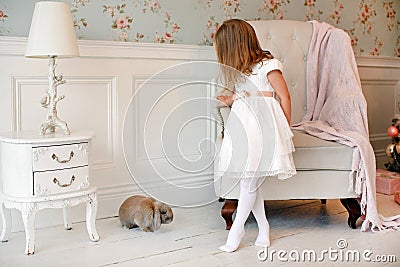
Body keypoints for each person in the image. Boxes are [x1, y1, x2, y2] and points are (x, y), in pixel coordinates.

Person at [214, 19, 296, 253]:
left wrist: (284, 131)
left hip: (263, 131)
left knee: (248, 182)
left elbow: (284, 97)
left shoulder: (268, 65)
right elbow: (243, 95)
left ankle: (237, 231)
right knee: (249, 180)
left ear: (235, 46)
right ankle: (264, 228)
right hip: (244, 130)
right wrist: (228, 100)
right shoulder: (242, 71)